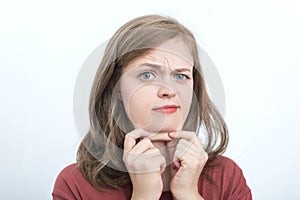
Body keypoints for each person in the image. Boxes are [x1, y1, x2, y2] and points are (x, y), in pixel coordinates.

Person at [52, 14, 252, 200]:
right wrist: (143, 195)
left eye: (180, 76)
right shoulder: (74, 185)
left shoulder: (227, 177)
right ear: (116, 87)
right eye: (147, 75)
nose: (169, 91)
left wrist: (188, 193)